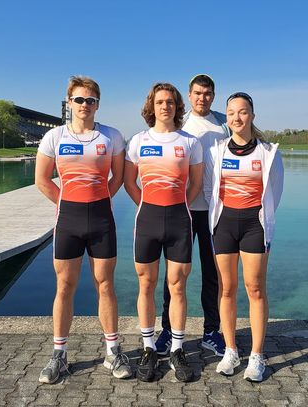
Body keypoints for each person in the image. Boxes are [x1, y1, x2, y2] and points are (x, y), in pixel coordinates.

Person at [35, 76, 131, 383]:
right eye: (79, 100)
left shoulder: (112, 136)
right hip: (68, 220)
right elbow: (42, 180)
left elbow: (118, 177)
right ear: (69, 103)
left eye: (90, 100)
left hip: (101, 218)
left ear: (98, 104)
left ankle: (113, 352)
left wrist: (97, 201)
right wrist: (69, 203)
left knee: (105, 285)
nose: (84, 105)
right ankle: (59, 356)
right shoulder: (54, 137)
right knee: (65, 286)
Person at [124, 82, 203, 382]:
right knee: (146, 284)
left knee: (178, 286)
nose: (165, 106)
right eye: (160, 102)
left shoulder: (190, 142)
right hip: (147, 219)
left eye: (170, 101)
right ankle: (147, 347)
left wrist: (177, 204)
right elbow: (130, 182)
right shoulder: (138, 141)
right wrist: (147, 204)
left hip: (180, 220)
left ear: (177, 106)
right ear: (151, 106)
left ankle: (177, 349)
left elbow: (195, 184)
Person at [205, 91, 283, 381]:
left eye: (242, 112)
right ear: (226, 117)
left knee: (255, 289)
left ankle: (257, 355)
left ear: (252, 115)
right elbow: (208, 189)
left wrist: (264, 225)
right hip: (224, 224)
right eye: (231, 113)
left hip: (254, 225)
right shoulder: (217, 151)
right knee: (226, 289)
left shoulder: (267, 152)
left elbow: (275, 193)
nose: (237, 118)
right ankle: (230, 350)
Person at [155, 74, 229, 358]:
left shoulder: (224, 121)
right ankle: (168, 329)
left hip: (214, 211)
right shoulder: (178, 123)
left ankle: (212, 331)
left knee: (213, 274)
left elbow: (253, 141)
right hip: (182, 210)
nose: (203, 98)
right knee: (174, 277)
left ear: (213, 95)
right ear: (189, 95)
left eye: (208, 93)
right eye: (198, 93)